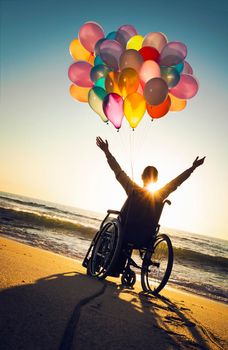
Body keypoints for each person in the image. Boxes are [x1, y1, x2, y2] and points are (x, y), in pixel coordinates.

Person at [96, 136, 205, 249]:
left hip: (124, 232)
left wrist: (106, 152)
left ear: (142, 177)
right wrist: (192, 168)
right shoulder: (160, 195)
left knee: (108, 228)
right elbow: (176, 182)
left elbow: (117, 170)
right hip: (144, 238)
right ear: (156, 180)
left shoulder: (133, 189)